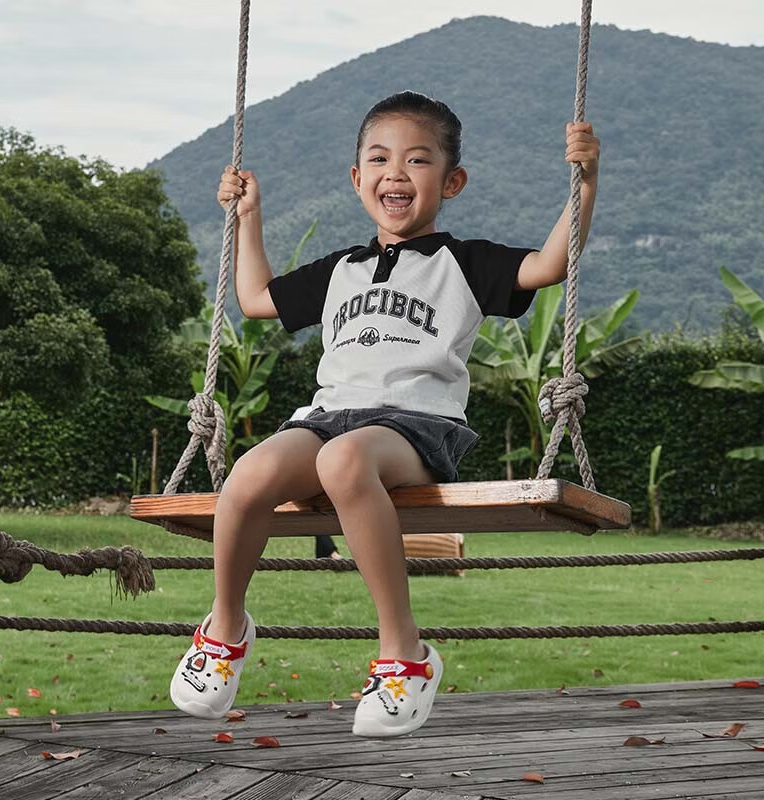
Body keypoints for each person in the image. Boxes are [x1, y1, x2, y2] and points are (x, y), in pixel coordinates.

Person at [170, 90, 599, 737]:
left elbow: (550, 264)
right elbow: (256, 297)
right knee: (249, 476)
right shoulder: (343, 269)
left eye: (417, 161)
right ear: (357, 178)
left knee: (344, 460)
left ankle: (405, 654)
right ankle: (225, 627)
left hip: (416, 426)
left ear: (451, 181)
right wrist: (247, 216)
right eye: (379, 158)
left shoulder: (464, 262)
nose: (395, 173)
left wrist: (585, 181)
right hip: (326, 416)